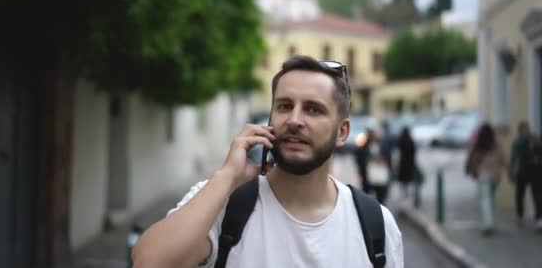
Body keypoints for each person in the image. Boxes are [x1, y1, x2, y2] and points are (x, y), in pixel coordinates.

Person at [131, 55, 404, 267]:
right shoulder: (225, 205)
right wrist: (227, 177)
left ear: (342, 131)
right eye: (285, 106)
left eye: (313, 109)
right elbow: (149, 263)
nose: (295, 120)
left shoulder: (376, 225)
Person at [465, 123, 506, 236]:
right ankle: (489, 222)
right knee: (490, 198)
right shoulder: (497, 144)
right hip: (496, 175)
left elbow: (473, 159)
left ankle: (488, 224)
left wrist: (472, 170)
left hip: (483, 174)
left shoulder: (479, 144)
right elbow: (503, 159)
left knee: (485, 199)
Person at [510, 121, 542, 229]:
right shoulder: (536, 138)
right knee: (537, 194)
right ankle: (539, 218)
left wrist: (512, 172)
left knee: (520, 194)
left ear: (519, 131)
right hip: (536, 171)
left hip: (523, 172)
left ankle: (520, 215)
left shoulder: (517, 141)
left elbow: (513, 158)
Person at [396, 127, 416, 198]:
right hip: (409, 164)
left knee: (403, 182)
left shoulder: (401, 140)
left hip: (403, 163)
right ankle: (407, 195)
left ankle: (403, 194)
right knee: (408, 181)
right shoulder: (411, 141)